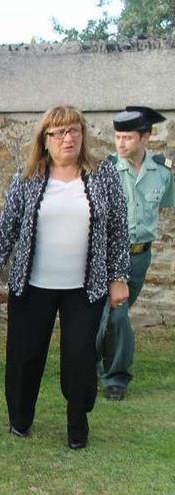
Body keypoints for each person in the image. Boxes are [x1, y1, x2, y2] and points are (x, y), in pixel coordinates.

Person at [0, 105, 129, 450]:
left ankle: (77, 425)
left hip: (84, 288)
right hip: (32, 287)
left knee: (78, 359)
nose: (69, 138)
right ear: (45, 140)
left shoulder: (102, 174)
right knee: (24, 357)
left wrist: (119, 276)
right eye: (60, 132)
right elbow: (7, 225)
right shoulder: (30, 176)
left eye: (75, 130)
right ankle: (20, 419)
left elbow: (118, 230)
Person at [98, 106, 173, 401]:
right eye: (117, 137)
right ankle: (116, 377)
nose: (121, 144)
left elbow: (167, 203)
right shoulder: (107, 169)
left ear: (146, 137)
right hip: (109, 255)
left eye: (127, 137)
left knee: (114, 314)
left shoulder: (162, 172)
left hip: (141, 255)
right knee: (116, 314)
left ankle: (91, 362)